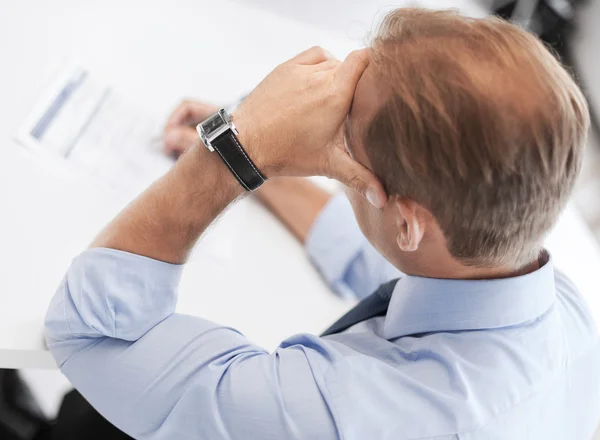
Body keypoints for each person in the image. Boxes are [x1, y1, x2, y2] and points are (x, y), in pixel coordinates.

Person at [44, 8, 600, 440]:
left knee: (82, 420)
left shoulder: (344, 414)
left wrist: (233, 156)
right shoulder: (547, 294)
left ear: (407, 222)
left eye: (344, 137)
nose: (330, 142)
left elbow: (89, 331)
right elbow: (387, 262)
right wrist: (261, 159)